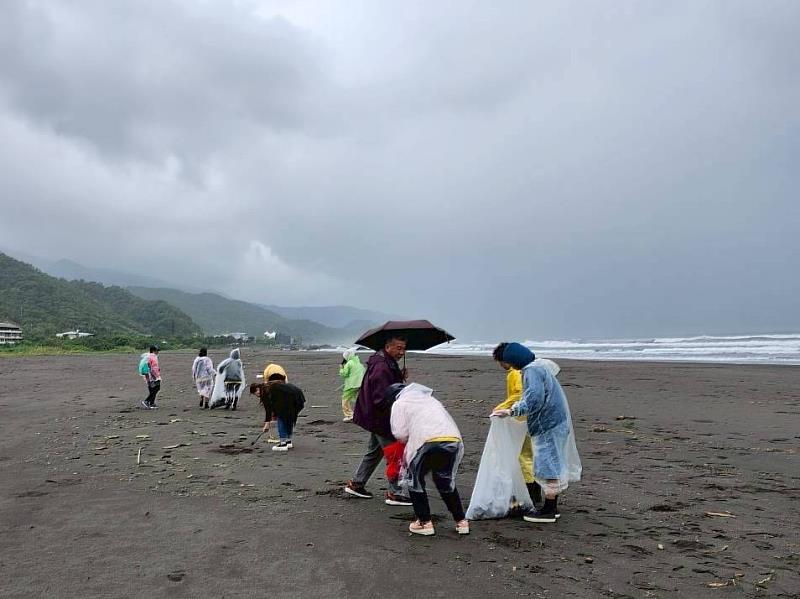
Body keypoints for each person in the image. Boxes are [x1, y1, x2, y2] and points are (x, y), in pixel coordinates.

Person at [491, 342, 582, 523]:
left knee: (547, 465)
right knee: (551, 463)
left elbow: (534, 398)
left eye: (503, 361)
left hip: (547, 424)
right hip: (555, 422)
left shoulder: (532, 371)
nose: (504, 366)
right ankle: (551, 506)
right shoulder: (540, 366)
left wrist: (511, 411)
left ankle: (549, 510)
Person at [389, 382, 469, 536]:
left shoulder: (400, 403)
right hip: (451, 439)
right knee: (445, 481)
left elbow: (400, 433)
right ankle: (461, 520)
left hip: (425, 442)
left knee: (415, 480)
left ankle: (424, 521)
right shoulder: (430, 399)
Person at [344, 335, 412, 506]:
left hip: (373, 415)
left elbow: (387, 388)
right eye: (398, 348)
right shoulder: (382, 366)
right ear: (388, 346)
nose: (402, 352)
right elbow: (382, 397)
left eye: (404, 348)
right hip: (380, 417)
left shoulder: (384, 362)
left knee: (374, 452)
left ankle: (357, 484)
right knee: (394, 453)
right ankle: (395, 493)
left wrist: (399, 377)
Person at [492, 342, 541, 507]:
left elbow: (519, 395)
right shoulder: (526, 371)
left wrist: (503, 408)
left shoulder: (515, 373)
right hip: (529, 417)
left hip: (521, 419)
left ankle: (531, 494)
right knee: (529, 455)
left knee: (523, 455)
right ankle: (534, 492)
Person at [250, 364, 306, 451]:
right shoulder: (272, 385)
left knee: (282, 418)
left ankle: (283, 443)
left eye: (255, 393)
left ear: (257, 389)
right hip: (299, 397)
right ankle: (288, 441)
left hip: (291, 398)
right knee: (289, 418)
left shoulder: (265, 389)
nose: (257, 395)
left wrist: (267, 424)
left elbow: (268, 409)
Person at [339, 348, 365, 422]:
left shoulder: (349, 363)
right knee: (360, 399)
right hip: (360, 384)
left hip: (352, 384)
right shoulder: (358, 363)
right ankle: (361, 414)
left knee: (345, 400)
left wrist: (341, 368)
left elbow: (344, 374)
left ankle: (349, 415)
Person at [141, 345, 161, 410]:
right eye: (157, 350)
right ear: (153, 351)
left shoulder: (147, 356)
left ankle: (151, 403)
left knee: (152, 389)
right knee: (156, 388)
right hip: (152, 376)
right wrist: (156, 377)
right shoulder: (153, 357)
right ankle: (147, 401)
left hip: (147, 376)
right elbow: (153, 368)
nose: (158, 352)